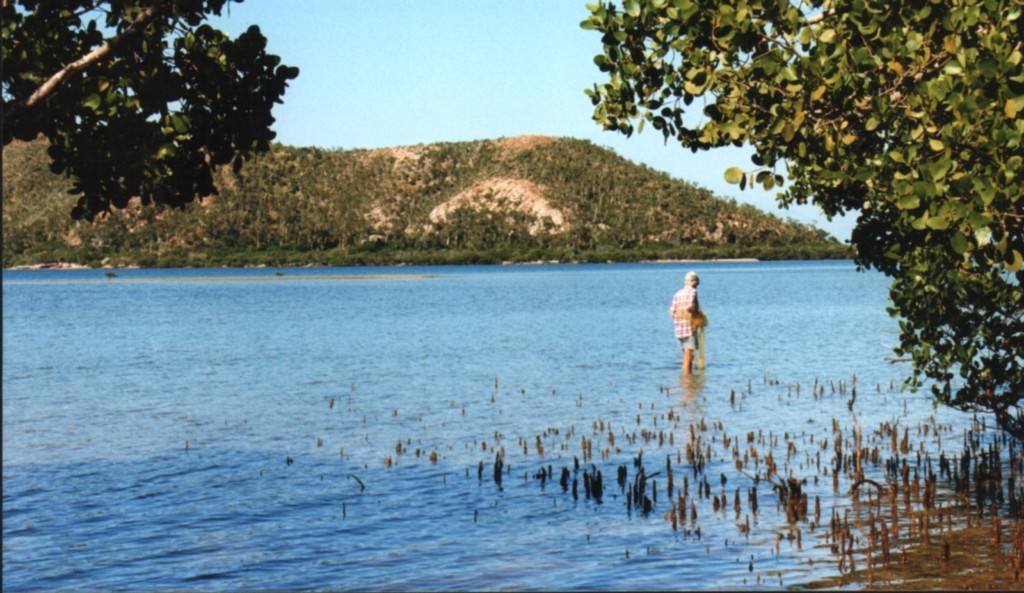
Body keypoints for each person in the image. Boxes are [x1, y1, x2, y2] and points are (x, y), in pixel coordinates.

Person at [670, 271, 702, 373]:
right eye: (698, 282)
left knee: (687, 356)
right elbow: (690, 307)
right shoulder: (692, 292)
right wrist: (697, 317)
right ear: (694, 281)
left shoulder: (677, 294)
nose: (698, 285)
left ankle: (687, 381)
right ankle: (688, 383)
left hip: (679, 330)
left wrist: (680, 318)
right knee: (688, 358)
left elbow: (671, 312)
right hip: (689, 328)